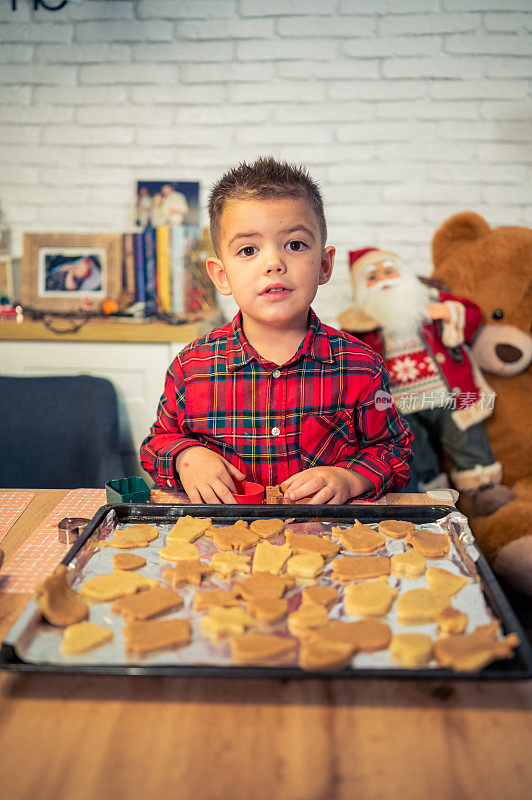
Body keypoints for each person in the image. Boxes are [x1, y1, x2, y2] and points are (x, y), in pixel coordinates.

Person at [140, 157, 413, 504]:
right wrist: (185, 457)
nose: (273, 263)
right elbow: (156, 443)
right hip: (221, 545)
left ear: (324, 265)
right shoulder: (190, 367)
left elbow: (394, 451)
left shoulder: (362, 365)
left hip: (326, 542)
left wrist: (350, 478)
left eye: (295, 245)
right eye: (248, 250)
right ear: (221, 276)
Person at [338, 247, 514, 515]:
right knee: (414, 452)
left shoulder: (431, 299)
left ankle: (483, 489)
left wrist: (448, 312)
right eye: (373, 277)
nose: (384, 280)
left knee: (466, 438)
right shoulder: (359, 323)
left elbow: (473, 315)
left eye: (389, 271)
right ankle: (430, 499)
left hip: (447, 393)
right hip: (400, 403)